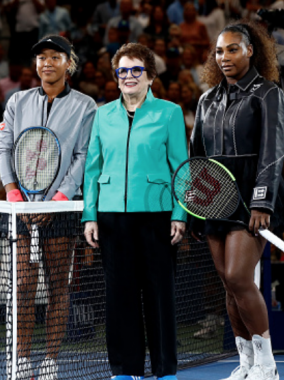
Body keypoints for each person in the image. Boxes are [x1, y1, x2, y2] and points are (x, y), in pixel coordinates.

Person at [192, 21, 284, 380]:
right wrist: (195, 206)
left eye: (233, 49)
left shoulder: (268, 93)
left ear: (250, 50)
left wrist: (262, 202)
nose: (224, 57)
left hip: (251, 201)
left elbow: (273, 152)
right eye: (219, 51)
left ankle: (267, 365)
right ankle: (246, 363)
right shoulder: (207, 99)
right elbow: (198, 158)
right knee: (228, 283)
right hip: (214, 201)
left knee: (239, 277)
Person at [82, 42, 187, 380]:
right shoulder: (102, 115)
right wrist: (90, 215)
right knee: (119, 296)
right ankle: (125, 371)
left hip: (157, 216)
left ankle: (165, 370)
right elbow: (92, 170)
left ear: (150, 76)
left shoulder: (169, 113)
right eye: (122, 71)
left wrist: (179, 214)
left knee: (159, 296)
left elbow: (180, 169)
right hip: (112, 218)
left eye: (136, 70)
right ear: (116, 77)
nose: (128, 76)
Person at [0, 35, 96, 380]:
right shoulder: (17, 101)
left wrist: (59, 200)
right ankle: (22, 359)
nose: (47, 63)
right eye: (42, 57)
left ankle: (50, 361)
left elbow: (84, 156)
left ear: (69, 64)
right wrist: (12, 192)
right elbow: (4, 146)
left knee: (57, 285)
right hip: (21, 208)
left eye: (55, 56)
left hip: (61, 209)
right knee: (23, 285)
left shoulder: (86, 106)